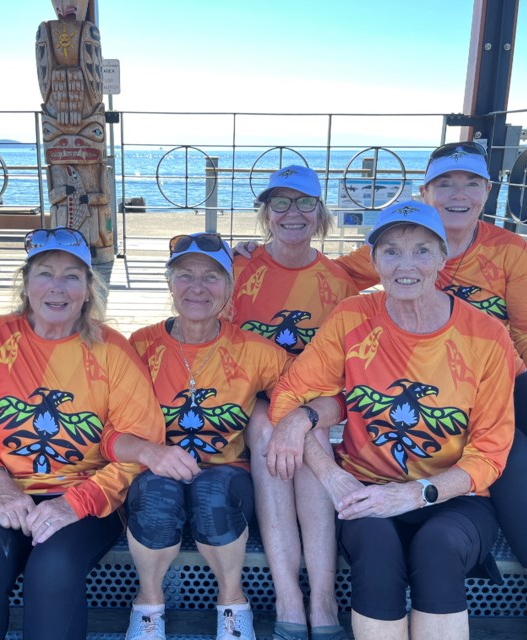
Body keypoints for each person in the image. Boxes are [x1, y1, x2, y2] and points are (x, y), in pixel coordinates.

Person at [331, 143, 527, 640]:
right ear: (424, 192)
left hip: (499, 373)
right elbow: (335, 273)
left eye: (471, 182)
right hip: (435, 385)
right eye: (444, 183)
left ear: (488, 192)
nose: (458, 194)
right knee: (509, 455)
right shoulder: (409, 241)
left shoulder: (508, 250)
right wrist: (258, 261)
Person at [269, 201, 516, 640]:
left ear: (443, 258)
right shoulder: (352, 317)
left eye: (422, 250)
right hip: (366, 489)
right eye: (391, 251)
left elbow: (491, 452)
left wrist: (416, 494)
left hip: (453, 494)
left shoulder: (486, 334)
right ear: (374, 260)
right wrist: (326, 471)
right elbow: (292, 393)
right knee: (376, 549)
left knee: (438, 548)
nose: (407, 265)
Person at [0, 227, 165, 640]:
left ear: (88, 289)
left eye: (72, 277)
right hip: (4, 487)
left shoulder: (112, 349)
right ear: (26, 285)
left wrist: (74, 503)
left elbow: (140, 445)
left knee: (53, 568)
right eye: (45, 273)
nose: (57, 288)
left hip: (88, 496)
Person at [122, 233, 292, 640]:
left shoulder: (256, 350)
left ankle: (232, 606)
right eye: (185, 275)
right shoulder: (140, 345)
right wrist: (151, 453)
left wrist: (292, 418)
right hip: (154, 469)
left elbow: (313, 392)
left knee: (212, 496)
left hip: (227, 471)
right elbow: (113, 421)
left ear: (230, 287)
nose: (197, 287)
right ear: (169, 282)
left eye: (212, 277)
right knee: (157, 496)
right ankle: (148, 608)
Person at [235, 165, 360, 640]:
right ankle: (290, 596)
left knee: (309, 434)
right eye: (280, 203)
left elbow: (349, 374)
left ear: (320, 213)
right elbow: (189, 276)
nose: (293, 213)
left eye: (305, 202)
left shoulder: (337, 281)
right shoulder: (239, 268)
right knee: (269, 429)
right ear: (265, 214)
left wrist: (307, 414)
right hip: (255, 396)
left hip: (316, 401)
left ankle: (322, 598)